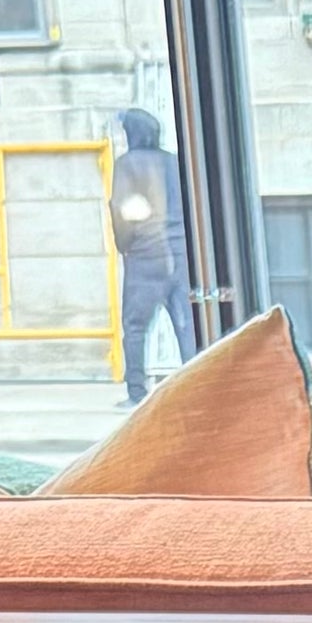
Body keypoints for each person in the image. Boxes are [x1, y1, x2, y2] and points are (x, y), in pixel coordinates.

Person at [110, 107, 191, 403]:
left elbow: (122, 209)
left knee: (134, 327)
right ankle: (199, 390)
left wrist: (125, 245)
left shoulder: (127, 164)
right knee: (187, 328)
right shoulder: (173, 162)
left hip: (145, 257)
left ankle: (136, 393)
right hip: (181, 255)